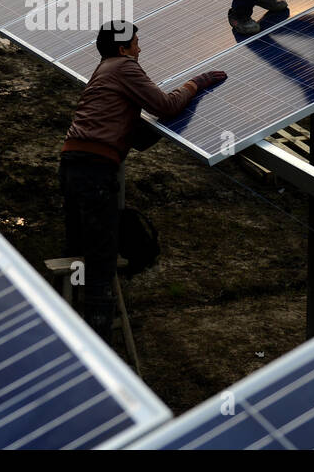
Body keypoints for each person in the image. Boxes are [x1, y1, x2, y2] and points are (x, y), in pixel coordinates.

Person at [58, 20, 226, 339]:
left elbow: (131, 134)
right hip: (94, 169)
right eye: (135, 43)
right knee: (101, 257)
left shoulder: (103, 70)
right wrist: (196, 83)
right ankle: (97, 340)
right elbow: (166, 105)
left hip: (72, 164)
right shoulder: (124, 67)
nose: (139, 48)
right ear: (123, 49)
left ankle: (65, 322)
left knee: (79, 242)